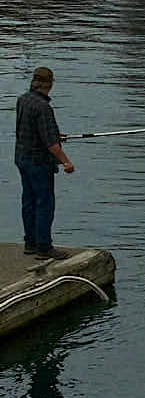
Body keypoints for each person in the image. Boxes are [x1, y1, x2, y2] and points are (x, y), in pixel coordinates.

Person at [15, 67, 75, 261]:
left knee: (29, 201)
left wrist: (55, 137)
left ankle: (30, 243)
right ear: (50, 84)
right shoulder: (43, 107)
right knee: (44, 203)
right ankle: (44, 246)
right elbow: (51, 144)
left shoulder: (23, 99)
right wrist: (66, 162)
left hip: (22, 158)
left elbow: (35, 131)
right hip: (38, 162)